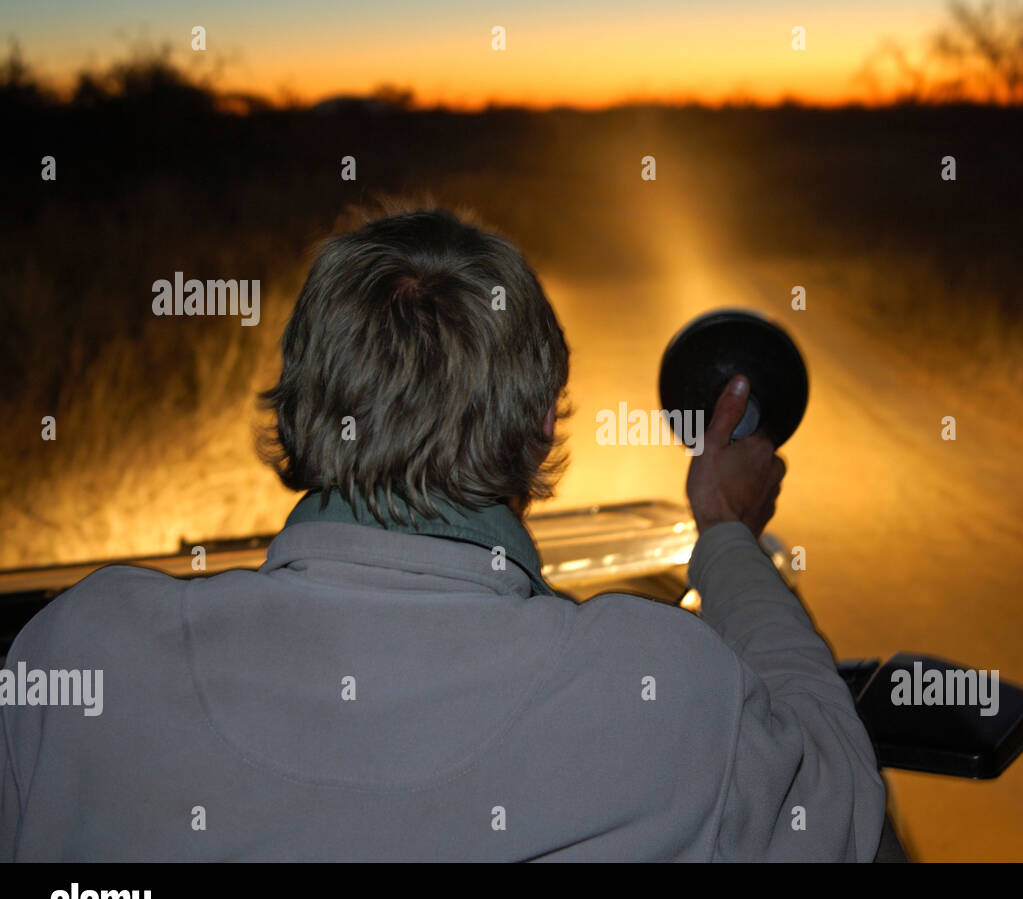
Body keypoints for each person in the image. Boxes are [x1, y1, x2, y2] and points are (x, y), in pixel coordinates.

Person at [0, 208, 885, 861]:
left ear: (303, 405)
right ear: (542, 425)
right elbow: (843, 810)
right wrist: (726, 533)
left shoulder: (80, 657)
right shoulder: (666, 691)